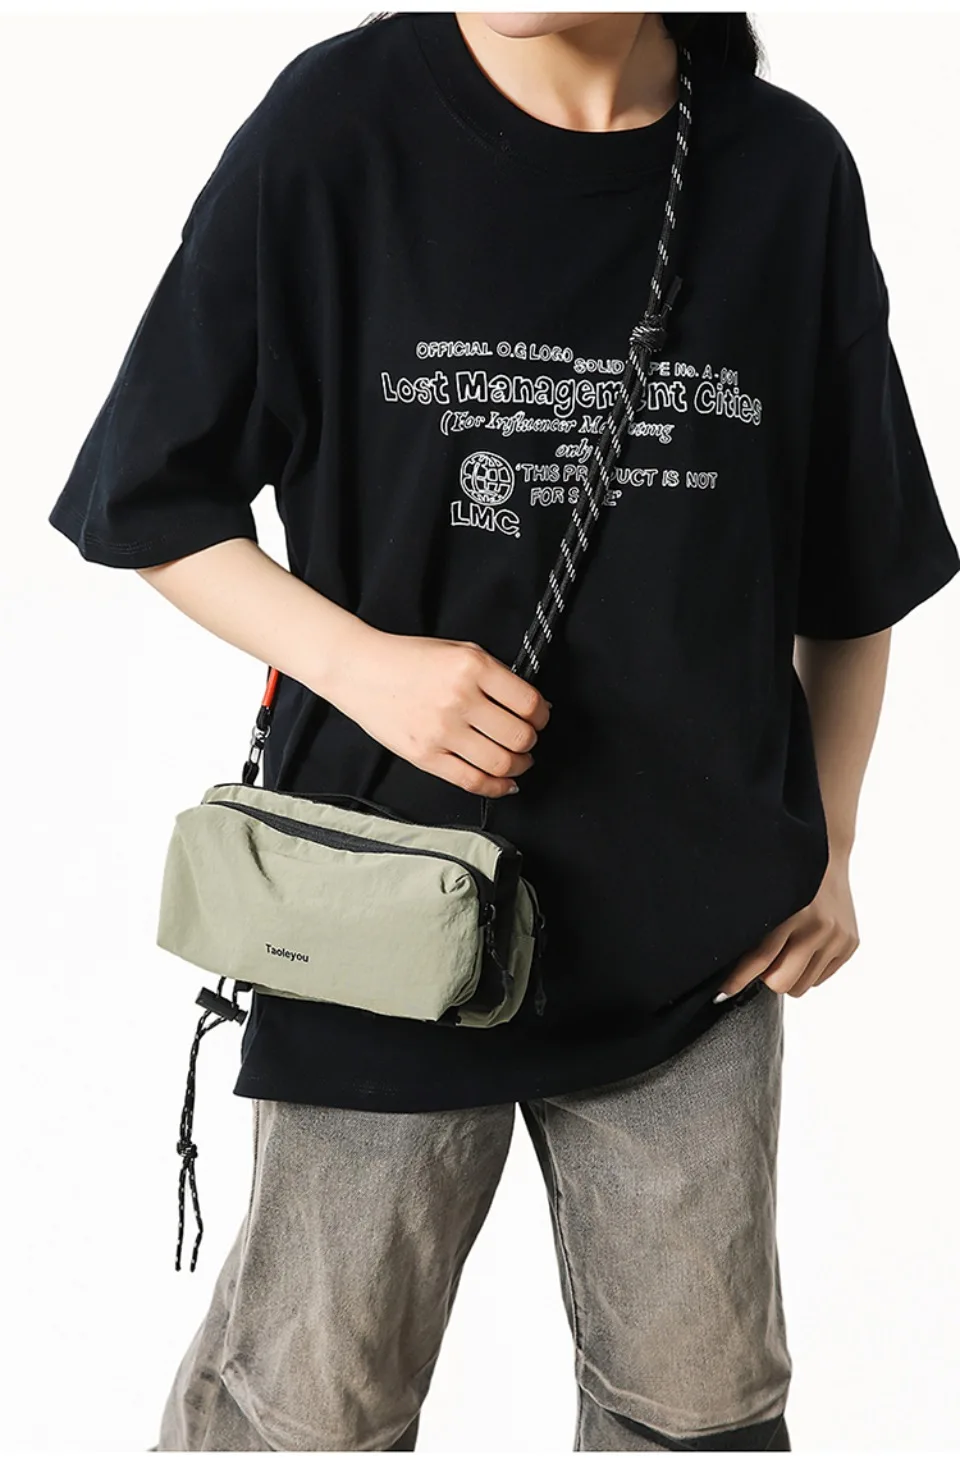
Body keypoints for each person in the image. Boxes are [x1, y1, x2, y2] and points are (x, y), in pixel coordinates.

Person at [48, 10, 958, 1453]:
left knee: (701, 1416)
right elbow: (150, 495)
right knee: (308, 1411)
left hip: (695, 948)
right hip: (379, 916)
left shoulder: (786, 173)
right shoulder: (338, 127)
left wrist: (833, 842)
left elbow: (858, 568)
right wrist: (363, 669)